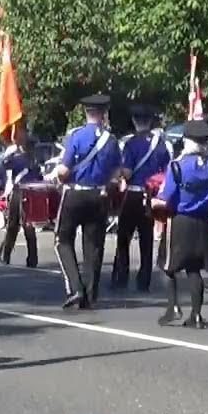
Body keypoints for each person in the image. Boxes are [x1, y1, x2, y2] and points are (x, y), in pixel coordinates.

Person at [153, 120, 208, 328]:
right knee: (194, 270)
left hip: (180, 220)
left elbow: (166, 197)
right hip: (203, 222)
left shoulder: (176, 166)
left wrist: (150, 201)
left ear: (187, 142)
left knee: (167, 266)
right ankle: (196, 314)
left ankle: (173, 307)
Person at [52, 94, 122, 309]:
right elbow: (117, 174)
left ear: (86, 112)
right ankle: (91, 295)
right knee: (93, 247)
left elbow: (64, 171)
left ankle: (76, 287)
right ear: (103, 114)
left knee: (62, 240)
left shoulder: (76, 136)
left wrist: (57, 176)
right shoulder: (111, 141)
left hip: (75, 194)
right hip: (99, 196)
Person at [112, 103, 172, 291]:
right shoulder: (161, 144)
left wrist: (117, 172)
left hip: (134, 194)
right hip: (151, 196)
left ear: (134, 121)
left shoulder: (130, 144)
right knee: (146, 239)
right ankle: (144, 279)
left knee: (124, 237)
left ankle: (121, 276)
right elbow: (167, 171)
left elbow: (128, 173)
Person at [0, 127, 42, 266]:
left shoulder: (18, 159)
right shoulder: (34, 162)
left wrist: (11, 152)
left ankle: (5, 255)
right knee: (28, 226)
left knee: (13, 226)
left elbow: (2, 167)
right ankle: (32, 259)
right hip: (31, 194)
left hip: (19, 193)